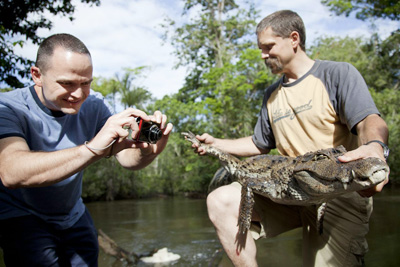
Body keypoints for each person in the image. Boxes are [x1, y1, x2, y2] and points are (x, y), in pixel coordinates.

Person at [192, 10, 389, 267]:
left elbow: (369, 121)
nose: (263, 54)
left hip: (337, 196)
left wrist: (375, 146)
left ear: (293, 39)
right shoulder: (272, 94)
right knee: (220, 201)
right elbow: (258, 144)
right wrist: (215, 143)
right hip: (289, 190)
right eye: (261, 48)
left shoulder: (337, 74)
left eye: (268, 46)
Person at [0, 33, 173, 266]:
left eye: (86, 83)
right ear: (37, 75)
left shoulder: (94, 105)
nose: (78, 94)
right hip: (22, 215)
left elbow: (127, 159)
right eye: (67, 83)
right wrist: (92, 148)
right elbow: (11, 172)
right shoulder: (8, 108)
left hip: (73, 215)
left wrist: (148, 151)